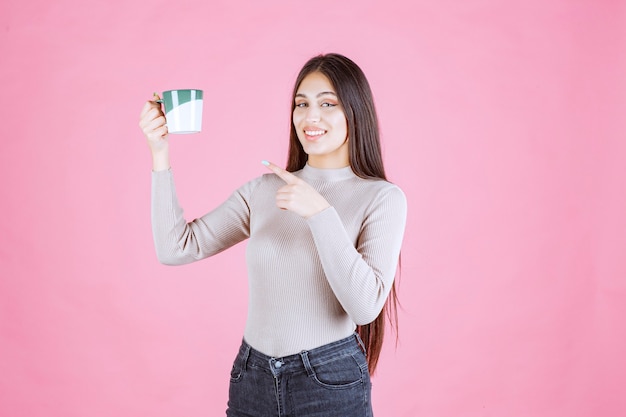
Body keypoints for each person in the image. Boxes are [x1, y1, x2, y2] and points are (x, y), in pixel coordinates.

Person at [139, 53, 407, 417]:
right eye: (301, 104)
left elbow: (364, 307)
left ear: (355, 112)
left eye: (327, 103)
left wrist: (320, 213)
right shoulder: (264, 191)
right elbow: (176, 248)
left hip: (328, 382)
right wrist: (159, 153)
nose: (310, 117)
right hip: (253, 377)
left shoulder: (381, 198)